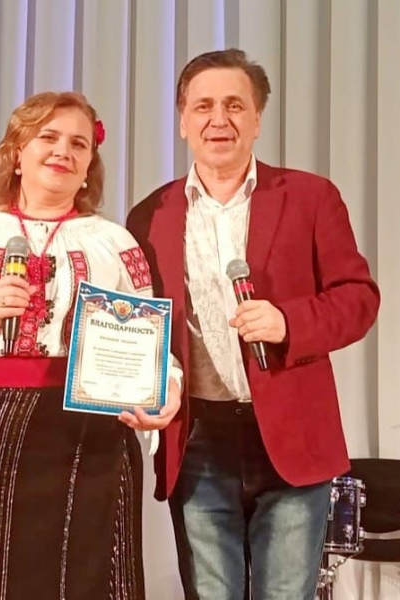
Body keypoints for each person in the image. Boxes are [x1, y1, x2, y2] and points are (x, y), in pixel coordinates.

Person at [0, 91, 182, 600]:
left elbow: (146, 337)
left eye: (79, 144)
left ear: (89, 166)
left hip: (87, 433)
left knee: (86, 574)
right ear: (17, 152)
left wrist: (166, 387)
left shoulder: (115, 243)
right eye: (48, 137)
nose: (63, 151)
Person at [127, 49, 380, 600]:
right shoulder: (150, 215)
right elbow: (144, 326)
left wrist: (288, 321)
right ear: (183, 120)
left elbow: (359, 299)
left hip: (293, 434)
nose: (219, 119)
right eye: (203, 106)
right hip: (197, 438)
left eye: (235, 105)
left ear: (258, 119)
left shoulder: (310, 197)